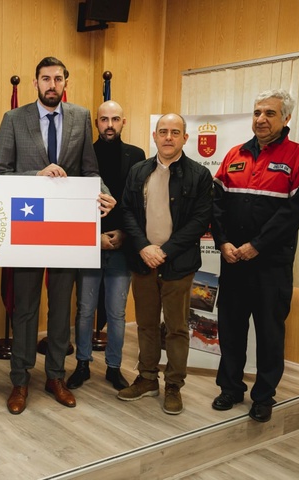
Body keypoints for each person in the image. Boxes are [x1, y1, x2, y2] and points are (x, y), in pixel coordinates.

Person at [0, 56, 116, 415]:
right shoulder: (14, 119)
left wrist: (104, 192)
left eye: (58, 79)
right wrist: (36, 174)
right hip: (27, 227)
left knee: (62, 308)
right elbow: (0, 173)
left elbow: (90, 172)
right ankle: (19, 380)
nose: (52, 84)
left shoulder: (79, 117)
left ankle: (56, 376)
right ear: (35, 83)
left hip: (68, 229)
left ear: (66, 82)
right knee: (26, 308)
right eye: (45, 78)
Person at [210, 89, 299, 423]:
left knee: (270, 333)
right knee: (230, 328)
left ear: (286, 118)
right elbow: (214, 204)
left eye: (270, 113)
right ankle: (230, 388)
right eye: (257, 112)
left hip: (271, 264)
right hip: (233, 262)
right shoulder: (234, 154)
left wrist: (258, 244)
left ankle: (264, 395)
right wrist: (223, 241)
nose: (261, 119)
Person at [119, 113, 212, 415]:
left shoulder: (199, 175)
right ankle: (147, 379)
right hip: (143, 261)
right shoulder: (138, 171)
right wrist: (145, 247)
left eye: (175, 132)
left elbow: (200, 220)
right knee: (146, 325)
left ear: (186, 138)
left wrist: (165, 251)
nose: (168, 137)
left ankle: (173, 384)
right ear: (155, 136)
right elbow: (128, 213)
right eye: (163, 132)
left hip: (178, 264)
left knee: (176, 328)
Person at [67, 100, 145, 391]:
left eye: (115, 119)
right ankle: (83, 364)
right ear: (95, 124)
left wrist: (124, 233)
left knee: (117, 312)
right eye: (103, 119)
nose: (109, 124)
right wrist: (93, 237)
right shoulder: (81, 156)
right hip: (89, 244)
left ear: (124, 122)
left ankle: (113, 367)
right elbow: (74, 202)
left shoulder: (137, 155)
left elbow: (139, 202)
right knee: (85, 310)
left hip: (122, 245)